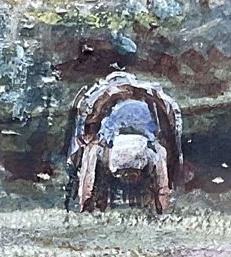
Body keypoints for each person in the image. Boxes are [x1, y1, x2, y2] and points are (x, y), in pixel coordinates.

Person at [66, 72, 184, 214]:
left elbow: (88, 141)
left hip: (120, 148)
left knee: (90, 155)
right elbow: (166, 142)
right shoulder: (150, 109)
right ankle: (162, 207)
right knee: (161, 158)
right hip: (139, 147)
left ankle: (85, 205)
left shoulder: (107, 114)